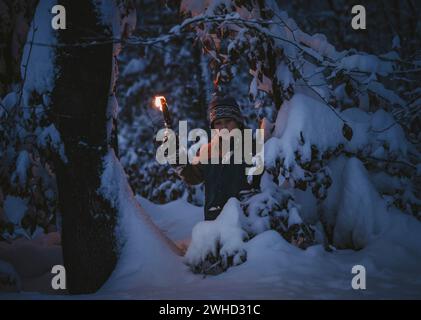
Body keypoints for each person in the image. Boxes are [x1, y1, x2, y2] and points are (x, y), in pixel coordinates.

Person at [174, 95, 262, 220]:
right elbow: (193, 177)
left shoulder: (254, 146)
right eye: (218, 123)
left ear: (238, 121)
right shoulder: (207, 150)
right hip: (215, 220)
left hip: (247, 219)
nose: (223, 126)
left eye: (228, 121)